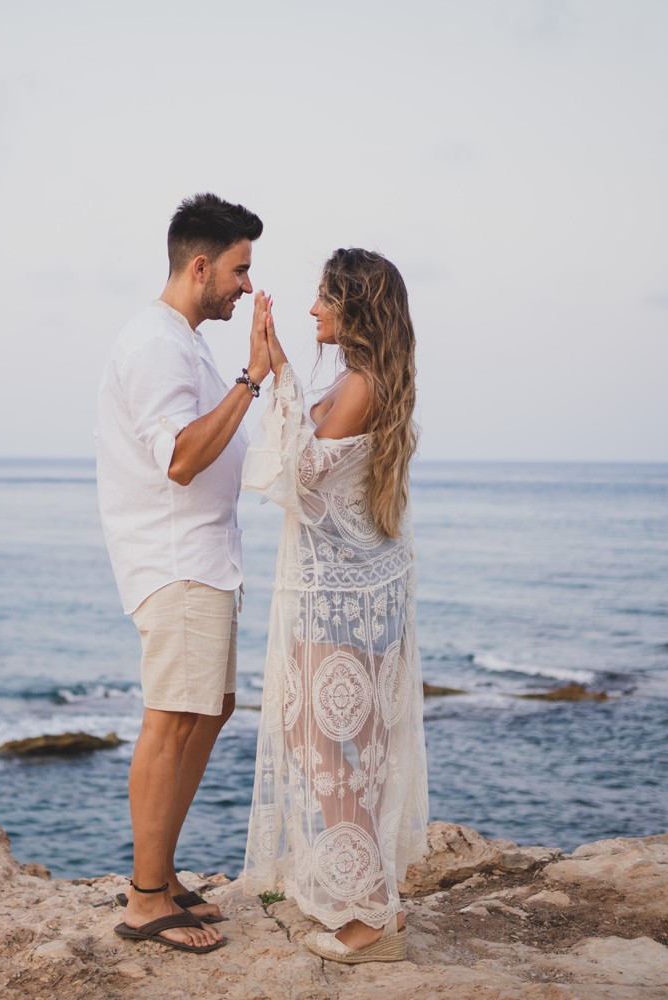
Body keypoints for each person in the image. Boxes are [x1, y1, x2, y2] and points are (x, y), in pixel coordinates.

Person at [239, 247, 430, 963]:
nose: (313, 308)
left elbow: (299, 481)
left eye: (323, 297)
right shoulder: (361, 381)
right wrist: (282, 371)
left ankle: (369, 921)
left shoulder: (361, 386)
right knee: (334, 747)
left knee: (333, 751)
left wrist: (276, 373)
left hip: (338, 595)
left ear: (352, 307)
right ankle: (372, 897)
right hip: (341, 589)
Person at [95, 193, 271, 954]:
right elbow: (181, 457)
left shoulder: (186, 339)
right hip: (175, 560)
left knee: (211, 708)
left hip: (207, 558)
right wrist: (252, 379)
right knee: (171, 719)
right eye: (239, 270)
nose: (244, 285)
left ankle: (161, 877)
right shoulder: (156, 344)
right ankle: (142, 900)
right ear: (199, 266)